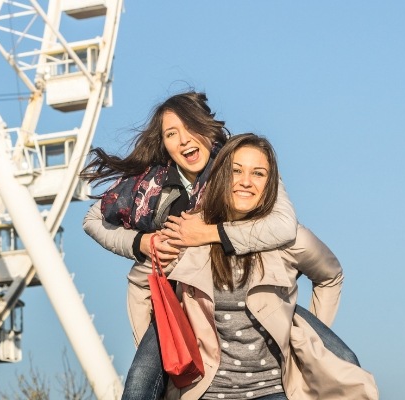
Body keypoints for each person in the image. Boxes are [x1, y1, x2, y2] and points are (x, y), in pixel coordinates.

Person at [81, 90, 323, 399]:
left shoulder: (239, 166)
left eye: (190, 127)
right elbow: (92, 219)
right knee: (140, 383)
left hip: (245, 298)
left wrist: (209, 233)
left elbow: (284, 226)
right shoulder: (150, 184)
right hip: (179, 307)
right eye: (172, 133)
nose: (183, 140)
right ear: (164, 144)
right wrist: (142, 242)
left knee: (343, 363)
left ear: (208, 128)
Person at [165, 133, 377, 399]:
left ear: (270, 185)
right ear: (221, 177)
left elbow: (331, 277)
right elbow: (142, 280)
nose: (245, 181)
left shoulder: (290, 239)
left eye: (258, 173)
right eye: (236, 171)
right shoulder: (191, 233)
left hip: (271, 390)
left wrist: (311, 338)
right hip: (205, 390)